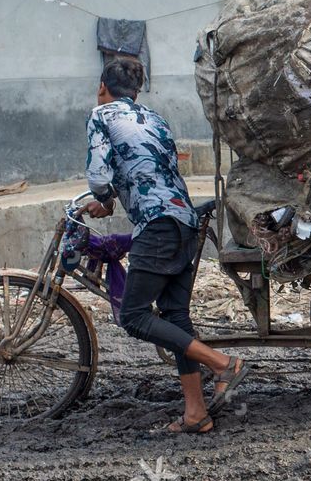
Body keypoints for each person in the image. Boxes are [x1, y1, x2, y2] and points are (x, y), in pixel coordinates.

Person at [83, 57, 252, 433]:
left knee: (134, 316)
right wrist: (111, 197)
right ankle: (196, 413)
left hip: (156, 226)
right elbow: (153, 169)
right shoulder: (154, 119)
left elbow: (98, 176)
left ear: (101, 87)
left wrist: (103, 198)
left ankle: (223, 364)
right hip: (184, 222)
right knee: (176, 318)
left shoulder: (102, 115)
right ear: (138, 91)